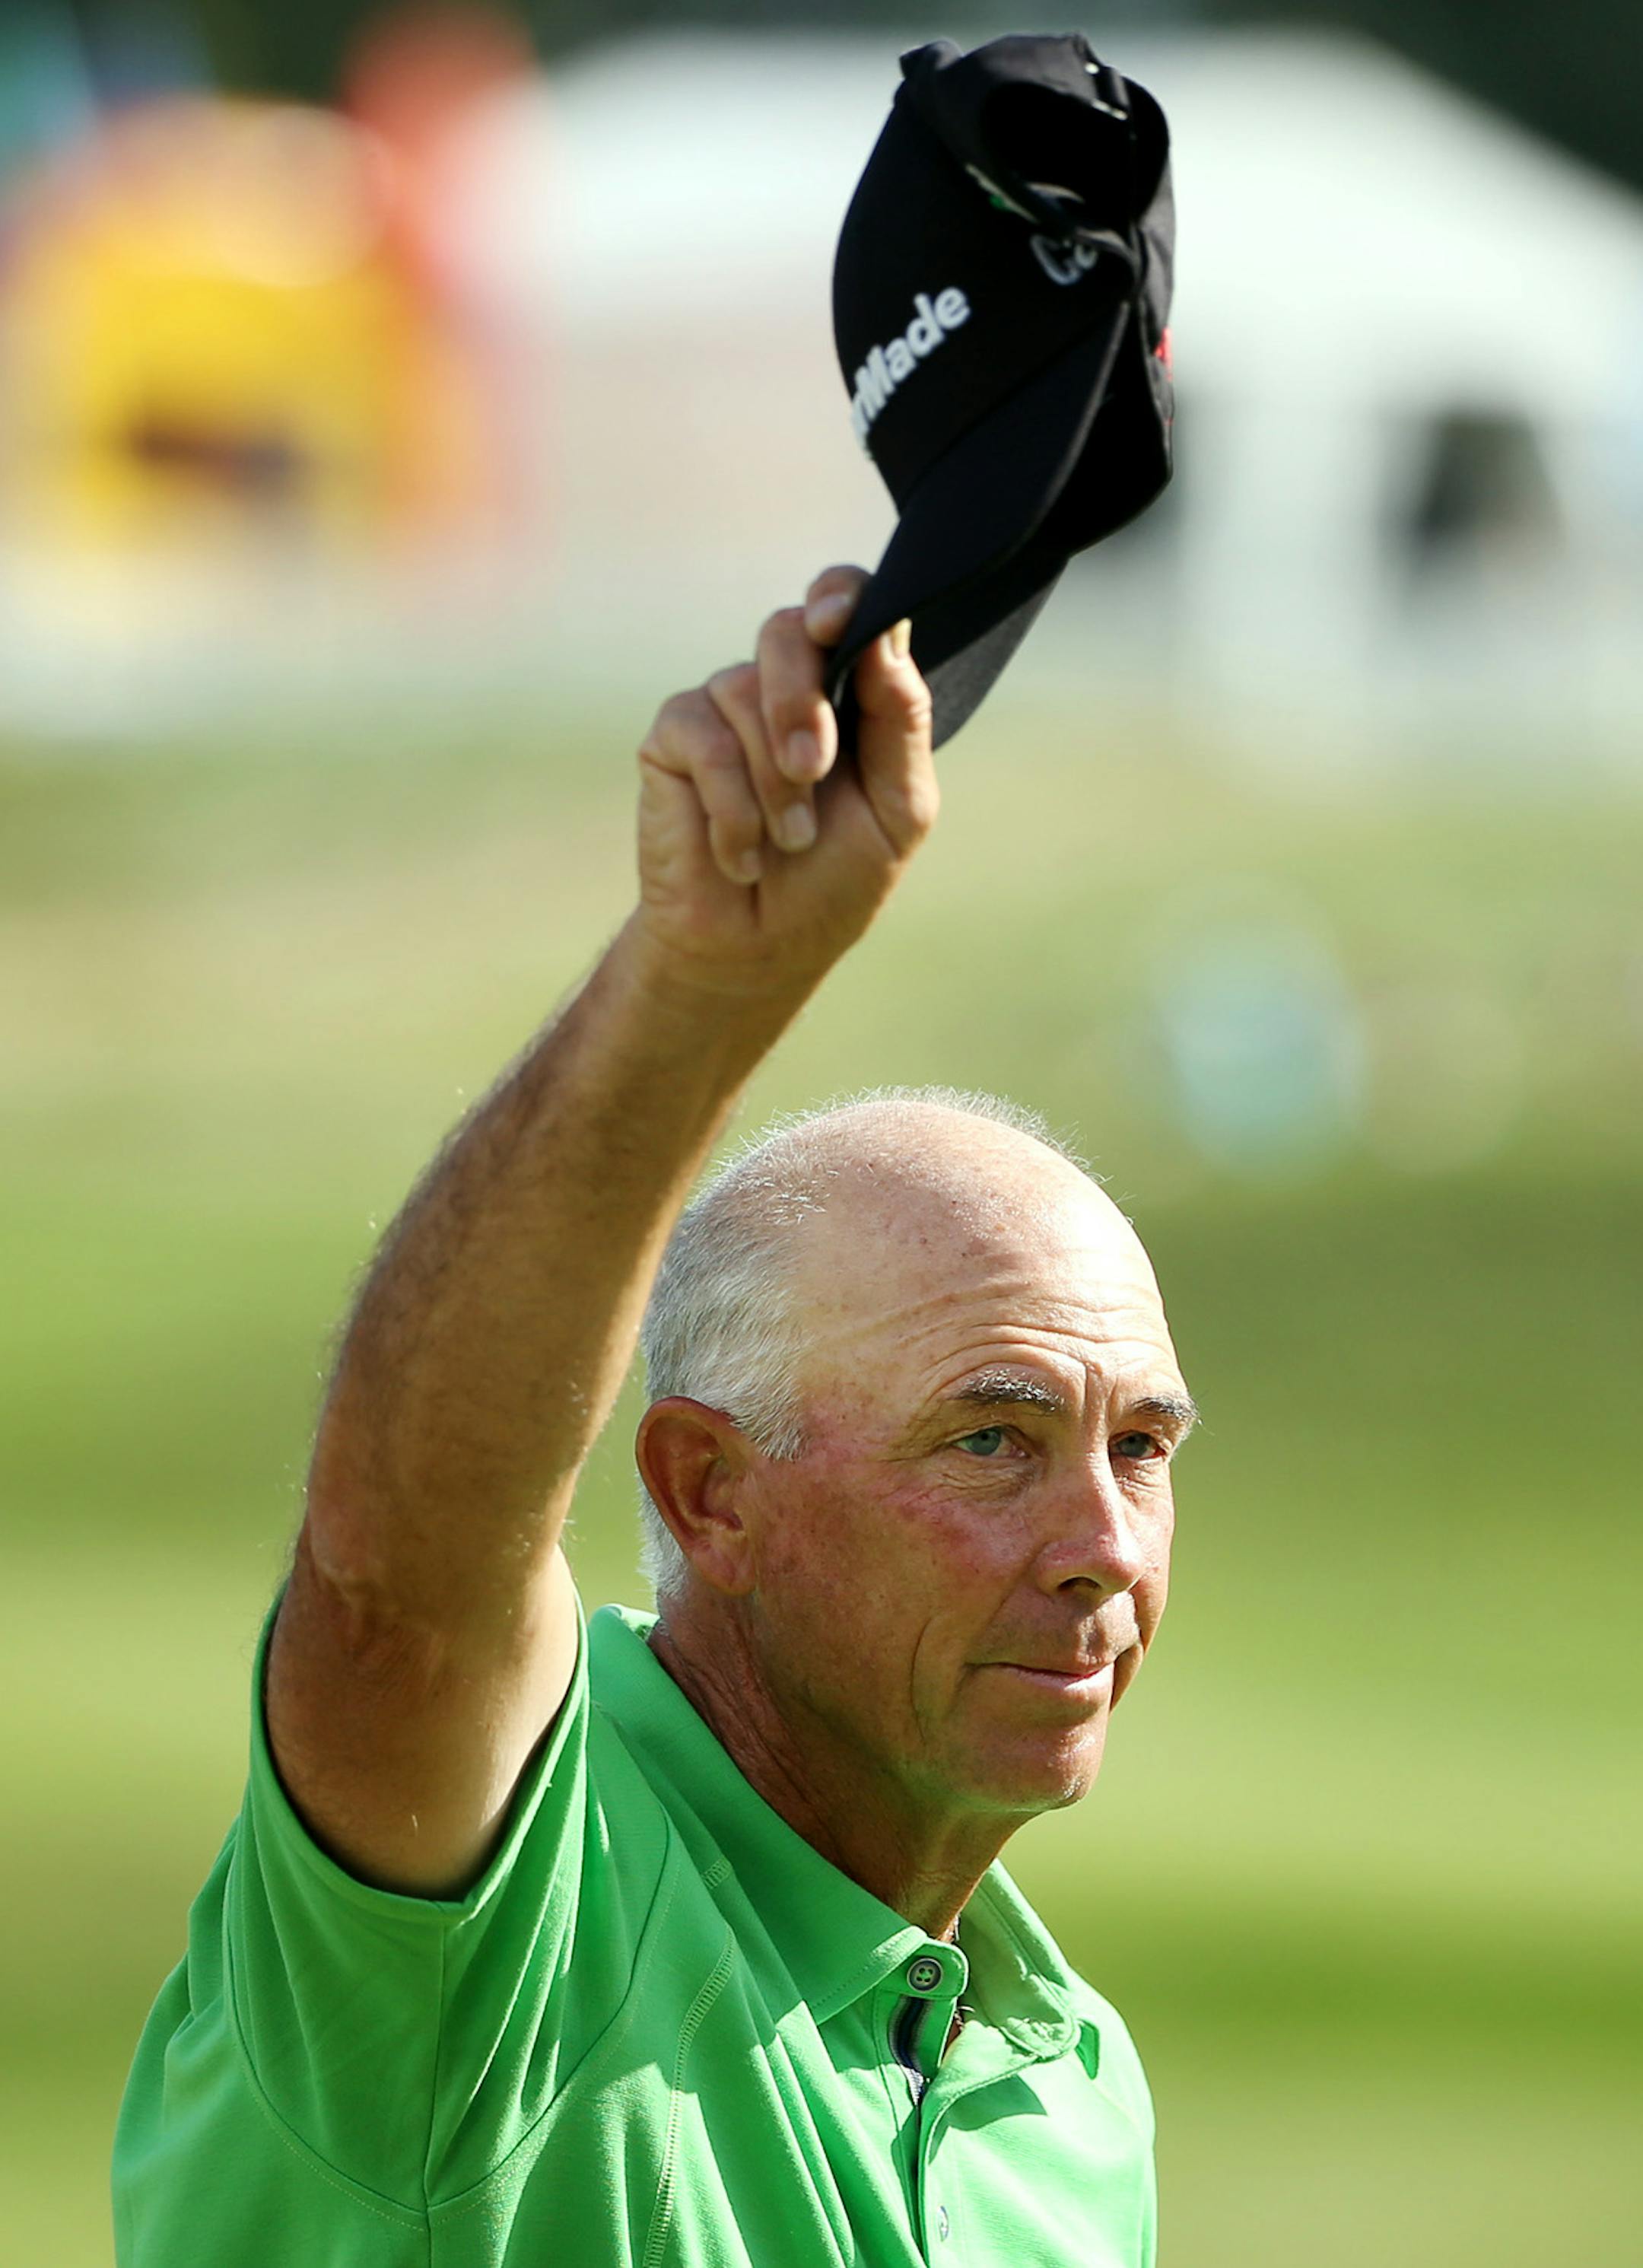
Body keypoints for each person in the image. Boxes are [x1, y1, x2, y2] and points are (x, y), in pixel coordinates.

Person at [114, 566, 1196, 2267]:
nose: (1103, 1549)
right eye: (990, 1438)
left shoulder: (1072, 2088)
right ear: (710, 1495)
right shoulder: (509, 1910)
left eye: (1139, 1446)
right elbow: (398, 1595)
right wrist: (694, 990)